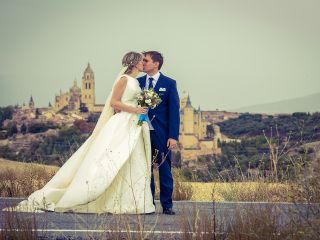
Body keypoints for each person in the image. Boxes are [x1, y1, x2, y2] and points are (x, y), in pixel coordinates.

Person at [11, 52, 155, 214]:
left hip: (134, 124)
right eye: (142, 61)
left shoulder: (135, 81)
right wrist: (134, 109)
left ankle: (132, 201)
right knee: (117, 157)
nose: (144, 63)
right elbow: (114, 102)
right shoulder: (124, 80)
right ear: (135, 63)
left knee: (133, 160)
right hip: (123, 122)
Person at [137, 51, 180, 215]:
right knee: (145, 169)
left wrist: (173, 136)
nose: (143, 63)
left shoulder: (169, 83)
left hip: (162, 133)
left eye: (146, 60)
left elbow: (174, 112)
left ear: (156, 63)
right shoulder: (137, 82)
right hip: (141, 132)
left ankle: (167, 205)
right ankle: (149, 203)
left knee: (164, 169)